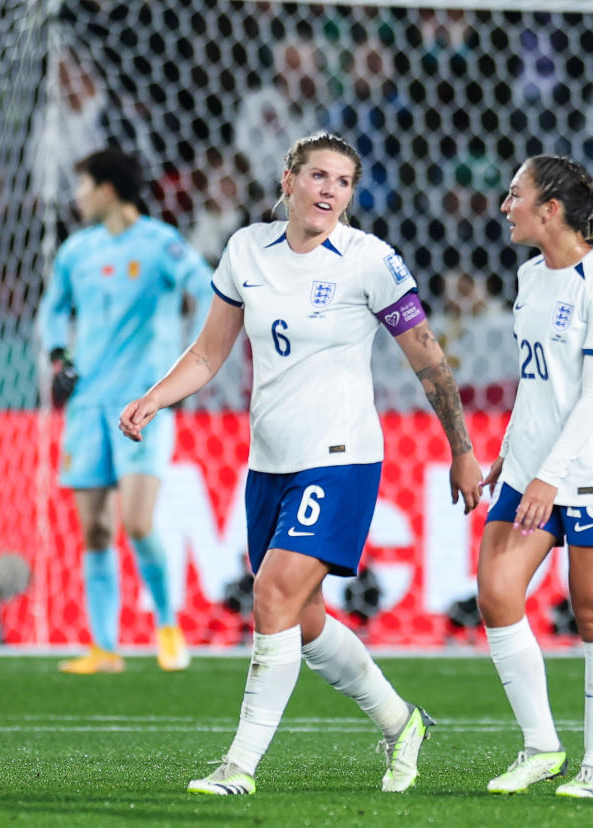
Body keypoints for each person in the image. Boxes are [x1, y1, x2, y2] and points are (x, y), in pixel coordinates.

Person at [119, 132, 484, 795]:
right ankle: (402, 722)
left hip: (341, 455)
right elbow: (208, 353)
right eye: (317, 176)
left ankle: (240, 766)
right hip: (270, 462)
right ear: (288, 181)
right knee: (304, 616)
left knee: (272, 594)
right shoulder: (245, 252)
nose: (328, 191)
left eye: (342, 182)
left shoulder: (371, 261)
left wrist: (460, 449)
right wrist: (155, 398)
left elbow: (428, 358)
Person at [477, 155, 593, 800]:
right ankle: (542, 746)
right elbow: (535, 381)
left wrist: (549, 475)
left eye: (514, 194)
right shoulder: (528, 277)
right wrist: (511, 450)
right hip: (530, 469)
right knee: (496, 593)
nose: (504, 205)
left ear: (550, 209)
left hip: (592, 475)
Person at [37, 147, 212, 675]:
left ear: (108, 189)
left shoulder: (161, 244)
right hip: (87, 403)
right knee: (94, 528)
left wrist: (191, 362)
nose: (77, 195)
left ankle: (166, 625)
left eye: (83, 185)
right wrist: (57, 356)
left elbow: (206, 291)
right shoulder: (77, 250)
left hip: (142, 403)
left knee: (136, 522)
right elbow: (53, 309)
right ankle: (105, 648)